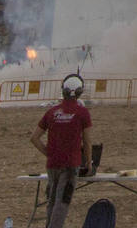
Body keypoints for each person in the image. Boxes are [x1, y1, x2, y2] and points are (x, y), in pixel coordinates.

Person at [29, 73, 93, 228]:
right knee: (62, 204)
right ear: (79, 92)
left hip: (52, 165)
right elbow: (87, 141)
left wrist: (49, 153)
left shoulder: (52, 112)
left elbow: (34, 138)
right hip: (71, 166)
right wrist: (89, 163)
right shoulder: (82, 113)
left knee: (51, 201)